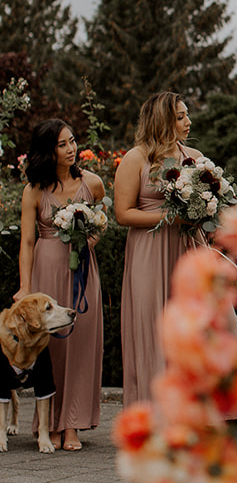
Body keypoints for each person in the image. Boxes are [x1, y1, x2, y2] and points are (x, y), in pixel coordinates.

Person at [16, 120, 106, 450]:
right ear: (47, 151)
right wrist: (26, 287)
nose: (71, 149)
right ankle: (50, 423)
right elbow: (27, 242)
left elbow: (102, 223)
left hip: (82, 272)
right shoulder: (33, 191)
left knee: (82, 346)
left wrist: (88, 242)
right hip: (46, 269)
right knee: (51, 350)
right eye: (62, 145)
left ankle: (74, 425)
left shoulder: (92, 184)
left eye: (72, 142)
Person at [115, 91, 203, 405]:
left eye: (186, 114)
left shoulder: (193, 157)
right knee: (150, 324)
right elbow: (123, 213)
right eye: (180, 116)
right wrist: (169, 216)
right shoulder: (136, 158)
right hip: (149, 250)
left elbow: (208, 201)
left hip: (186, 250)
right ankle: (151, 408)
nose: (188, 121)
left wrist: (205, 210)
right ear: (162, 120)